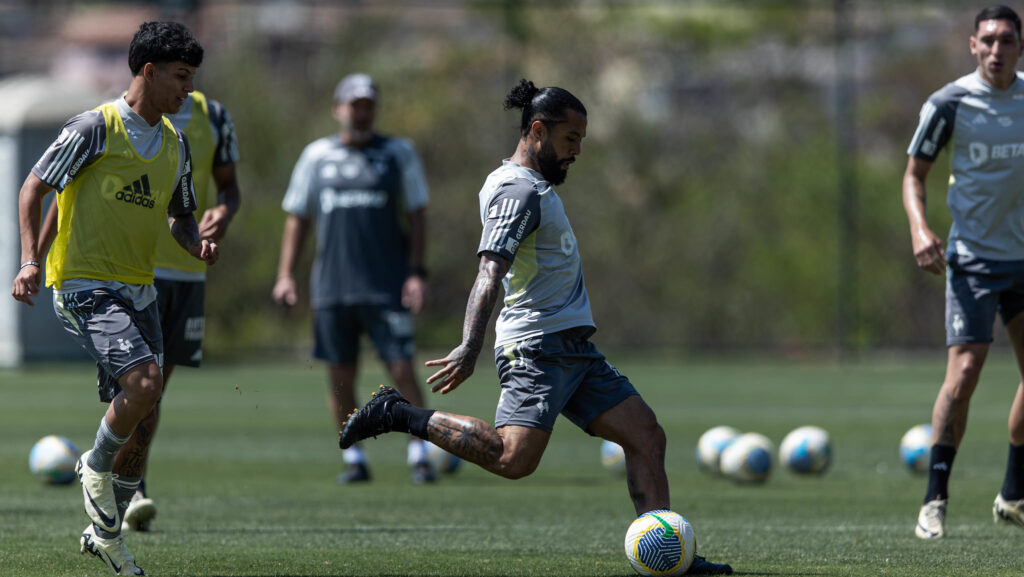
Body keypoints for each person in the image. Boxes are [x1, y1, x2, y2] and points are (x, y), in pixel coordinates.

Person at [339, 79, 732, 575]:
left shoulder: (535, 187)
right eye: (571, 139)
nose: (576, 151)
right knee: (512, 459)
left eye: (582, 141)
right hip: (537, 349)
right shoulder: (516, 190)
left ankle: (668, 556)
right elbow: (489, 270)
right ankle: (398, 414)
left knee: (646, 435)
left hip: (573, 350)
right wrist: (470, 343)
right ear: (539, 131)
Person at [10, 21, 215, 576]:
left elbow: (180, 215)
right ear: (147, 71)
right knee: (145, 383)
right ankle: (92, 465)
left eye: (191, 79)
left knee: (144, 419)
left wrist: (198, 244)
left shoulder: (175, 142)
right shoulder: (94, 128)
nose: (185, 91)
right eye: (179, 77)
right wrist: (31, 261)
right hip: (83, 283)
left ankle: (105, 535)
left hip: (138, 289)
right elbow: (35, 186)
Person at [272, 73, 435, 484]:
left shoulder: (398, 153)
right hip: (332, 287)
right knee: (340, 375)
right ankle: (354, 458)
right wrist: (285, 275)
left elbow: (417, 214)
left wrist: (416, 273)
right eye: (354, 105)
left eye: (368, 106)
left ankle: (420, 450)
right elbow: (298, 218)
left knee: (400, 368)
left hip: (386, 285)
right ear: (337, 109)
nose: (361, 113)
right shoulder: (316, 156)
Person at [903, 4, 1024, 539]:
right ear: (972, 45)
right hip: (973, 260)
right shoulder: (949, 103)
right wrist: (920, 230)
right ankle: (935, 498)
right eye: (989, 40)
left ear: (1021, 47)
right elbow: (913, 175)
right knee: (966, 373)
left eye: (1008, 40)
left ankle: (1014, 494)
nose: (998, 49)